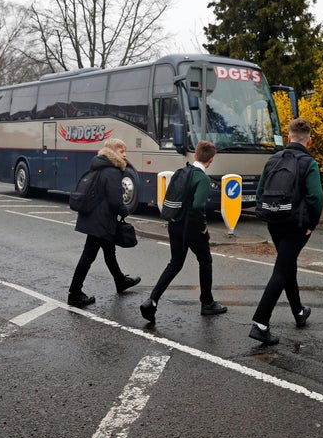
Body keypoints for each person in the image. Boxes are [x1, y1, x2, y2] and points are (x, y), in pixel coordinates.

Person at [249, 118, 323, 345]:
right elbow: (316, 198)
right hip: (297, 224)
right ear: (309, 141)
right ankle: (260, 323)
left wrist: (269, 214)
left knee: (286, 264)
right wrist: (312, 224)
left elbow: (261, 191)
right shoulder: (309, 164)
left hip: (275, 221)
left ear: (289, 137)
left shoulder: (272, 160)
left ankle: (299, 312)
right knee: (282, 269)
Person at [140, 140, 227, 323]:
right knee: (205, 260)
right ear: (211, 160)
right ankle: (207, 303)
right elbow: (198, 206)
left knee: (175, 263)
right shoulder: (202, 179)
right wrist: (203, 225)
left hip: (175, 223)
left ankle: (152, 301)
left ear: (195, 155)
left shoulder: (181, 172)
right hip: (192, 227)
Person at [68, 138, 140, 306]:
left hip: (95, 218)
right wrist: (125, 211)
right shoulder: (112, 171)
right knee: (88, 255)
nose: (125, 155)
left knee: (109, 251)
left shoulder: (99, 166)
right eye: (122, 151)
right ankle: (74, 293)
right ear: (113, 152)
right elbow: (116, 201)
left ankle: (120, 281)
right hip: (100, 221)